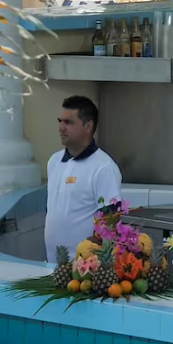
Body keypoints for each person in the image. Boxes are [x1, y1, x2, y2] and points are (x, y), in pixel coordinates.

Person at [45, 95, 122, 263]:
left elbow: (111, 224)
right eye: (60, 121)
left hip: (86, 271)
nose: (61, 128)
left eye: (68, 122)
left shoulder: (103, 168)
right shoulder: (54, 161)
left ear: (88, 126)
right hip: (52, 265)